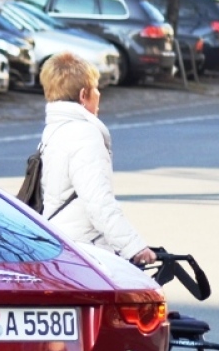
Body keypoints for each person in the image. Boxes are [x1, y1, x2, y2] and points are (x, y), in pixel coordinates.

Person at [38, 52, 156, 266]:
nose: (99, 94)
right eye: (96, 88)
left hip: (60, 239)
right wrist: (134, 247)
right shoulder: (84, 134)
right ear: (84, 95)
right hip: (84, 250)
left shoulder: (54, 131)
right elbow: (98, 200)